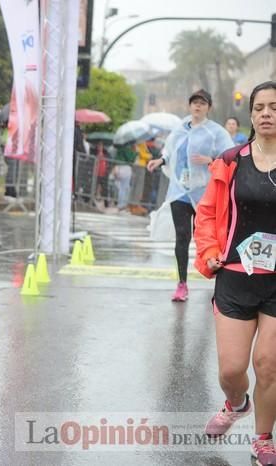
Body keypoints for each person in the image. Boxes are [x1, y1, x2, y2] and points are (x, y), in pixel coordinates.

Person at [193, 80, 276, 466]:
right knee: (231, 369)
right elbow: (208, 213)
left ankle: (263, 439)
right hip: (235, 277)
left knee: (268, 364)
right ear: (251, 114)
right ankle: (236, 402)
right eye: (260, 107)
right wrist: (210, 252)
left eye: (274, 107)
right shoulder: (231, 160)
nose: (266, 113)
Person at [147, 89, 233, 302]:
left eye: (202, 103)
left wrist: (211, 159)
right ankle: (182, 284)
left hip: (205, 195)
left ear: (208, 108)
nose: (197, 106)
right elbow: (169, 152)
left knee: (209, 239)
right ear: (189, 106)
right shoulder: (180, 129)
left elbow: (231, 156)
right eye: (194, 102)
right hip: (180, 192)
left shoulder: (216, 132)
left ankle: (217, 281)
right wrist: (160, 160)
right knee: (182, 237)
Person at [112, 142, 136, 211]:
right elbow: (131, 159)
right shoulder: (127, 150)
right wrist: (135, 152)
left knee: (120, 187)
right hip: (125, 169)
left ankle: (119, 203)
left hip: (118, 168)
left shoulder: (118, 149)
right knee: (124, 188)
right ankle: (121, 205)